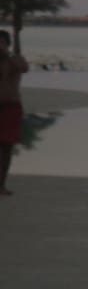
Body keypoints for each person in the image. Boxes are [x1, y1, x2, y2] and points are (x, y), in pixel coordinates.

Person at [0, 30, 29, 196]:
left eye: (2, 43)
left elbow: (24, 68)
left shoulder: (14, 61)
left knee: (6, 147)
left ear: (7, 44)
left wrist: (8, 57)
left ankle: (1, 184)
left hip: (10, 107)